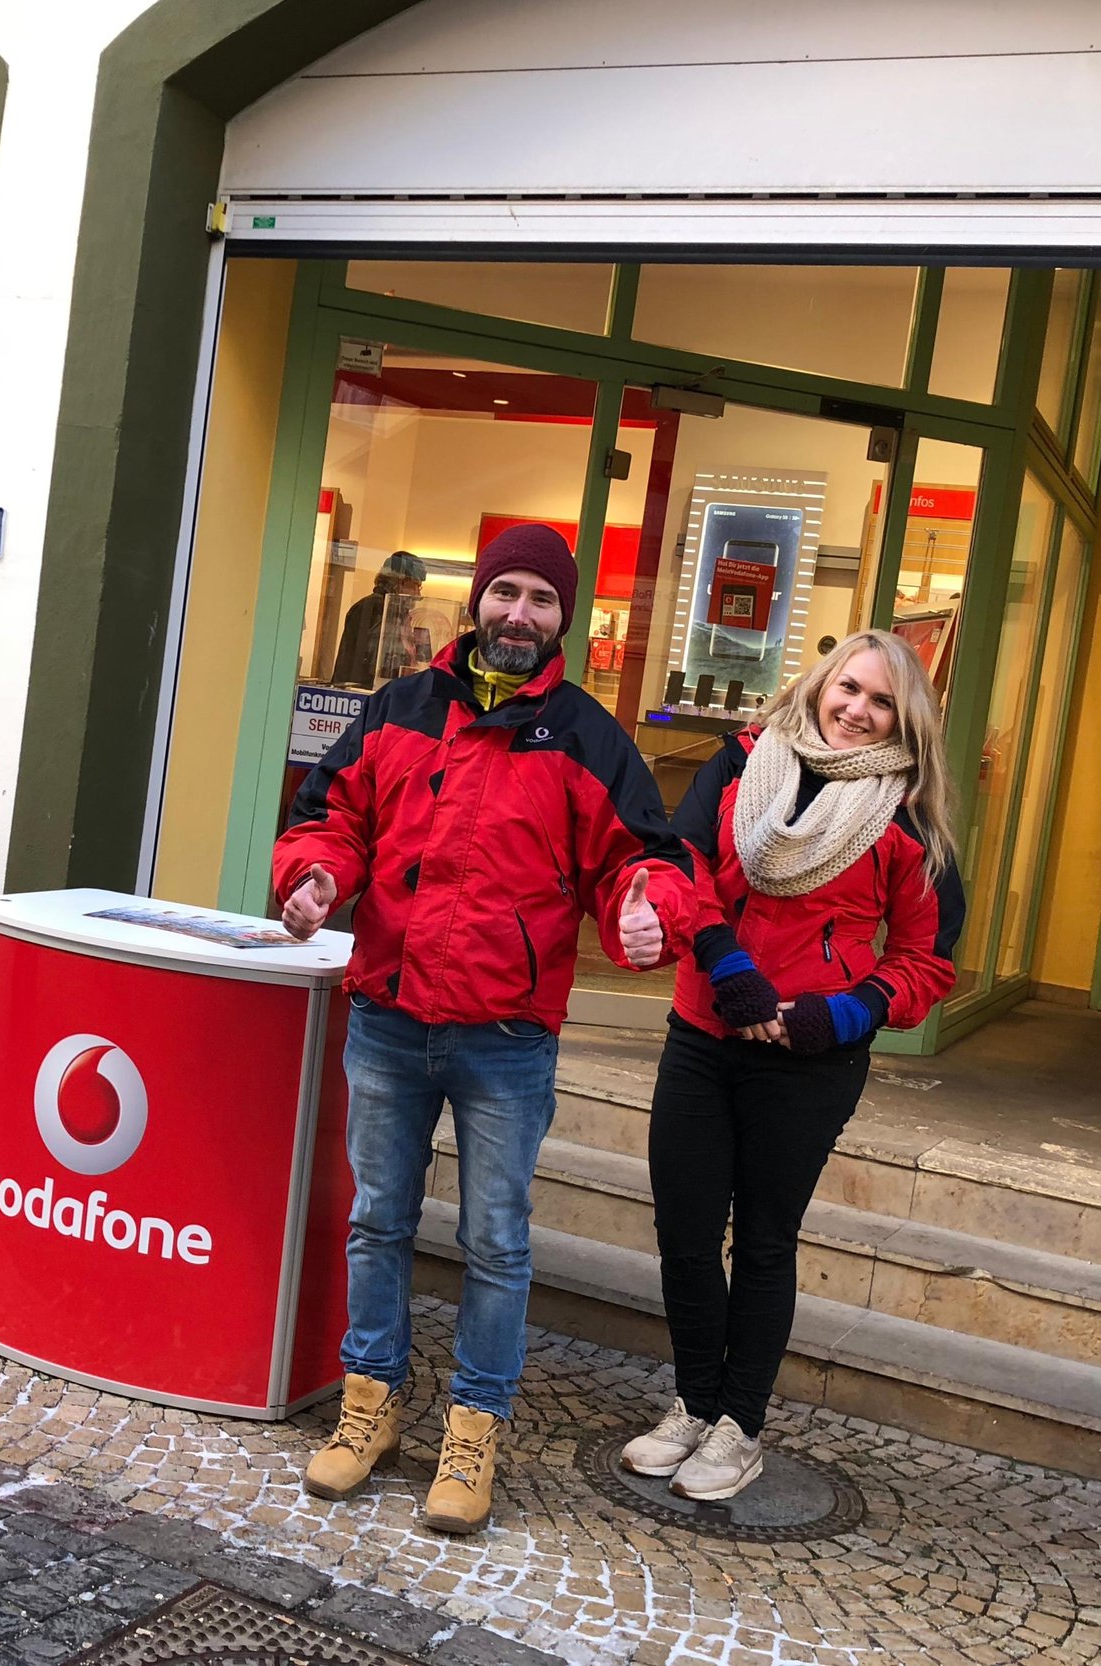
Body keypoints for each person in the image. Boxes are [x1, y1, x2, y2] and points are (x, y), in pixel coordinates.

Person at [276, 522, 696, 1536]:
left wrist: (647, 904)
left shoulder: (589, 737)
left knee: (494, 1242)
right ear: (478, 603)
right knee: (378, 1219)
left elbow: (649, 859)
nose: (518, 613)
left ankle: (474, 1431)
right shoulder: (394, 710)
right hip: (387, 1014)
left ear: (563, 618)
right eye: (505, 591)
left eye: (540, 599)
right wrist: (316, 876)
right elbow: (326, 815)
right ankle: (367, 1405)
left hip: (505, 1036)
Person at [621, 628, 965, 1501]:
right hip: (704, 1032)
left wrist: (840, 1014)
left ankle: (740, 1425)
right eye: (848, 688)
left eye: (881, 701)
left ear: (906, 718)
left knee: (766, 1241)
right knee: (686, 1234)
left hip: (808, 1060)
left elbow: (927, 959)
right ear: (820, 684)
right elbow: (681, 864)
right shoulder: (744, 757)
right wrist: (725, 963)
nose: (856, 710)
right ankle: (695, 1404)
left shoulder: (909, 811)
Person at [332, 550, 427, 687]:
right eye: (416, 586)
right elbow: (380, 662)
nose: (418, 595)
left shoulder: (380, 608)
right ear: (400, 582)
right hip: (367, 693)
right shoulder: (378, 608)